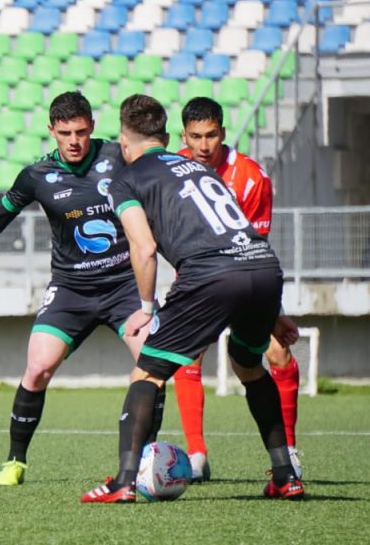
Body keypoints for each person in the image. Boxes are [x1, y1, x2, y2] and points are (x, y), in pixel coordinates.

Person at [0, 92, 153, 487]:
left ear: (93, 127)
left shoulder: (120, 157)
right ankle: (15, 462)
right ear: (52, 131)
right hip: (70, 290)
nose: (74, 140)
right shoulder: (36, 175)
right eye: (65, 133)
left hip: (125, 287)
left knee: (152, 368)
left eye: (81, 131)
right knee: (38, 368)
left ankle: (144, 463)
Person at [82, 94, 302, 503]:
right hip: (264, 269)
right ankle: (285, 474)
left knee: (146, 373)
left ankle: (124, 482)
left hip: (211, 275)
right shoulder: (201, 169)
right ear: (167, 137)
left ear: (124, 142)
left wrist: (146, 308)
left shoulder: (125, 179)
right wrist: (275, 312)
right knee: (249, 365)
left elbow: (143, 247)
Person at [174, 97, 302, 481]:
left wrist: (275, 312)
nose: (203, 145)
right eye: (195, 136)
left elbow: (259, 246)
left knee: (277, 355)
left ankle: (289, 452)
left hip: (246, 279)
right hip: (199, 280)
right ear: (184, 136)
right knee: (186, 355)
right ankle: (197, 455)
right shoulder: (172, 170)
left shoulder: (251, 176)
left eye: (211, 135)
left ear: (223, 133)